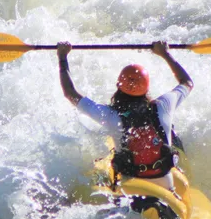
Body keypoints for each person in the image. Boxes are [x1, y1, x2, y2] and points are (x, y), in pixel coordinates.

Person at [57, 40, 193, 193]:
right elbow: (187, 82)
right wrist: (165, 54)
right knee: (172, 135)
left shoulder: (110, 115)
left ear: (118, 85)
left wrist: (62, 57)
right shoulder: (163, 105)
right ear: (146, 87)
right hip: (165, 183)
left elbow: (70, 93)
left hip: (131, 186)